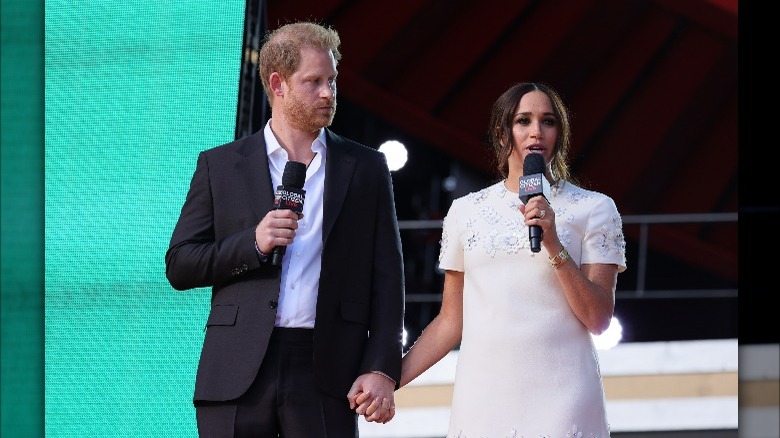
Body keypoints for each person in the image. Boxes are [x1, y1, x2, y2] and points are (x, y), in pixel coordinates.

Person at [165, 21, 405, 437]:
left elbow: (388, 278)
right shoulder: (220, 165)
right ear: (278, 84)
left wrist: (382, 366)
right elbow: (181, 264)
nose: (329, 93)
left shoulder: (365, 167)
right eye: (314, 82)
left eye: (332, 80)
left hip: (327, 366)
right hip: (236, 370)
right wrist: (253, 244)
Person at [396, 82, 627, 437]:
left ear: (559, 133)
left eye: (548, 121)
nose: (537, 131)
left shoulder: (594, 208)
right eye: (524, 120)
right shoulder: (466, 211)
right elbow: (449, 323)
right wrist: (389, 378)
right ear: (502, 133)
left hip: (563, 398)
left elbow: (598, 318)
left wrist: (553, 245)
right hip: (484, 400)